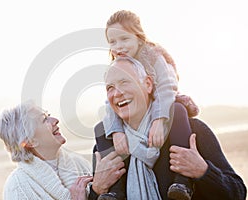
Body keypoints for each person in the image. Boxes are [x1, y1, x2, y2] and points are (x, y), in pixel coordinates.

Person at [94, 57, 247, 200]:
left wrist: (203, 171)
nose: (117, 93)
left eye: (125, 82)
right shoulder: (106, 145)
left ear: (148, 84)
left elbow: (238, 193)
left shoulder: (191, 131)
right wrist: (96, 189)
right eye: (110, 88)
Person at [101, 10, 197, 200]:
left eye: (124, 39)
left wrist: (159, 120)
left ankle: (183, 181)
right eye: (112, 42)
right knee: (101, 129)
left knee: (178, 110)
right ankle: (116, 190)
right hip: (135, 115)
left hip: (163, 104)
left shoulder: (153, 56)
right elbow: (110, 100)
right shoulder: (117, 64)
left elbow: (167, 87)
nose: (118, 46)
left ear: (138, 37)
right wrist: (117, 131)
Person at [0, 100, 126, 200]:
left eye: (49, 115)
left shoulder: (79, 164)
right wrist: (97, 189)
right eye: (44, 119)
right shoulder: (18, 187)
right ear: (29, 141)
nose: (55, 120)